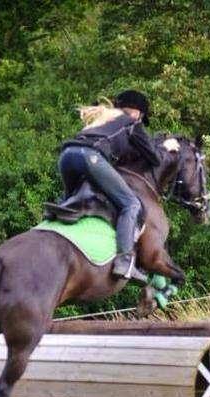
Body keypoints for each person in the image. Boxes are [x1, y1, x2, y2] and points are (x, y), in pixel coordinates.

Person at [57, 90, 177, 280]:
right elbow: (153, 157)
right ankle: (124, 261)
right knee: (131, 204)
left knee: (71, 199)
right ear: (138, 113)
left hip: (66, 156)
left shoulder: (106, 119)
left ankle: (54, 221)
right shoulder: (131, 123)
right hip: (90, 157)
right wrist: (166, 146)